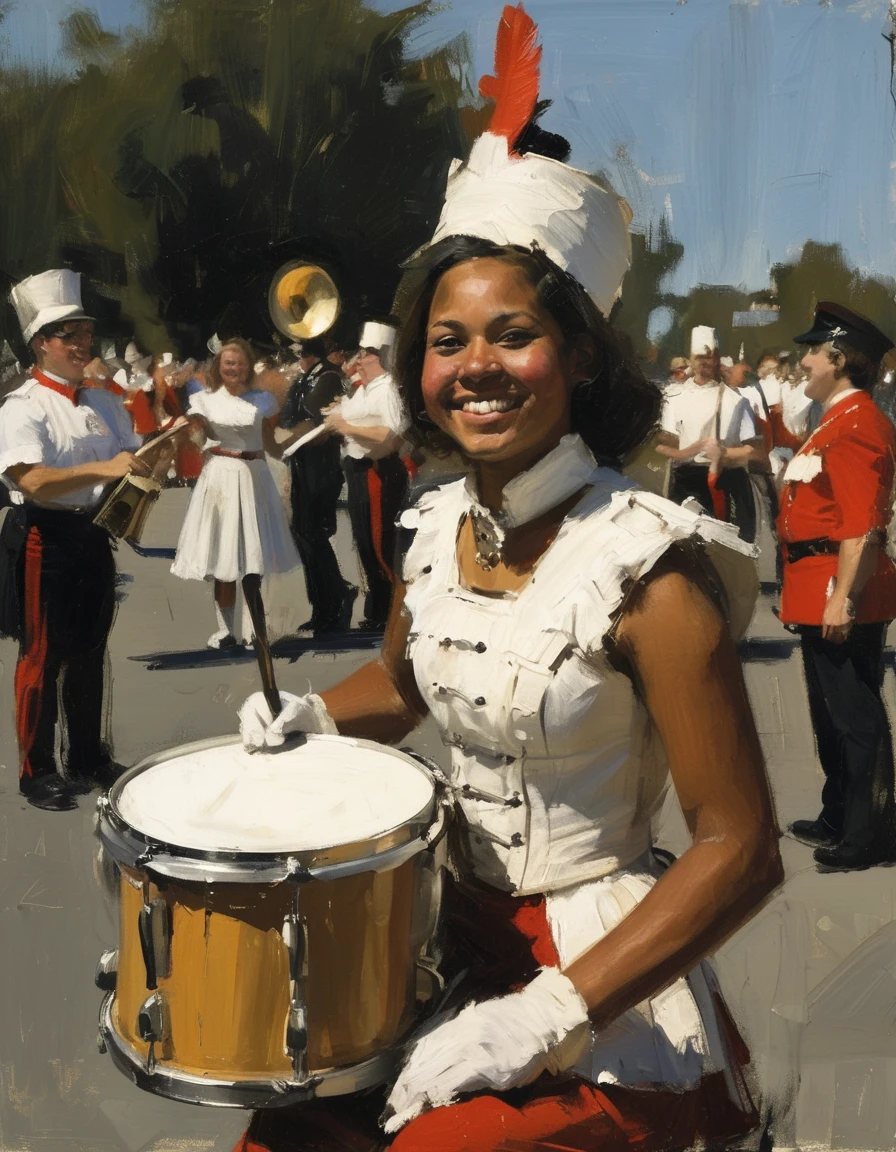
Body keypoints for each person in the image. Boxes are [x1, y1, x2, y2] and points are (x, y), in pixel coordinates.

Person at [232, 10, 781, 1148]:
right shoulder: (432, 527)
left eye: (512, 332)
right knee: (273, 1126)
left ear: (577, 354)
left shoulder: (648, 570)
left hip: (599, 976)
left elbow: (740, 849)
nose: (474, 365)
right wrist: (305, 719)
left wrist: (546, 1015)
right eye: (445, 339)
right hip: (436, 928)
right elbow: (396, 689)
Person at [0, 270, 158, 810]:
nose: (82, 346)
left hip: (93, 536)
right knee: (43, 655)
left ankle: (88, 757)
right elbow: (31, 480)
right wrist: (105, 467)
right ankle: (36, 769)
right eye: (70, 336)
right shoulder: (23, 405)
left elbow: (130, 458)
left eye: (86, 335)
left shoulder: (104, 401)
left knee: (92, 653)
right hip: (47, 537)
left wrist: (157, 452)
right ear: (42, 344)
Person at [778, 303, 896, 872]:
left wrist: (842, 595)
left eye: (813, 352)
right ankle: (839, 812)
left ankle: (869, 831)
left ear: (841, 359)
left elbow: (862, 523)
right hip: (816, 582)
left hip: (840, 584)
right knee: (830, 713)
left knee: (855, 716)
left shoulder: (858, 424)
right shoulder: (832, 420)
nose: (803, 362)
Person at [170, 337, 301, 648]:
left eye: (239, 363)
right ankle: (226, 630)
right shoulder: (206, 400)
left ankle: (257, 630)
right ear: (219, 366)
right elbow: (199, 436)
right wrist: (185, 431)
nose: (234, 368)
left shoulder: (262, 400)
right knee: (223, 557)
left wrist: (288, 453)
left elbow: (268, 439)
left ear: (247, 367)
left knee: (253, 558)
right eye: (228, 363)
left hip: (253, 476)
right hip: (220, 477)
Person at [323, 321, 409, 630]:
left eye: (368, 353)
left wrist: (347, 427)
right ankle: (379, 608)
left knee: (379, 541)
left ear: (382, 356)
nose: (361, 359)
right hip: (358, 469)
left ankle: (389, 610)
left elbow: (391, 433)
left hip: (377, 470)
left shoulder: (387, 388)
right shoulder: (366, 388)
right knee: (365, 543)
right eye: (362, 352)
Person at [278, 337, 356, 635]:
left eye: (300, 354)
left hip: (322, 467)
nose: (297, 360)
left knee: (314, 533)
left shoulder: (329, 378)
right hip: (302, 463)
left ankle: (335, 598)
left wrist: (299, 392)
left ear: (310, 355)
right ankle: (323, 605)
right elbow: (288, 414)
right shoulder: (306, 379)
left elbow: (312, 413)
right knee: (303, 532)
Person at [658, 326, 764, 541]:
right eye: (699, 357)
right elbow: (667, 442)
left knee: (728, 551)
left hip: (725, 482)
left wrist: (724, 452)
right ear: (690, 359)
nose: (704, 362)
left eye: (709, 357)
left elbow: (755, 450)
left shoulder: (736, 400)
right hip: (686, 482)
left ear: (717, 359)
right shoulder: (673, 397)